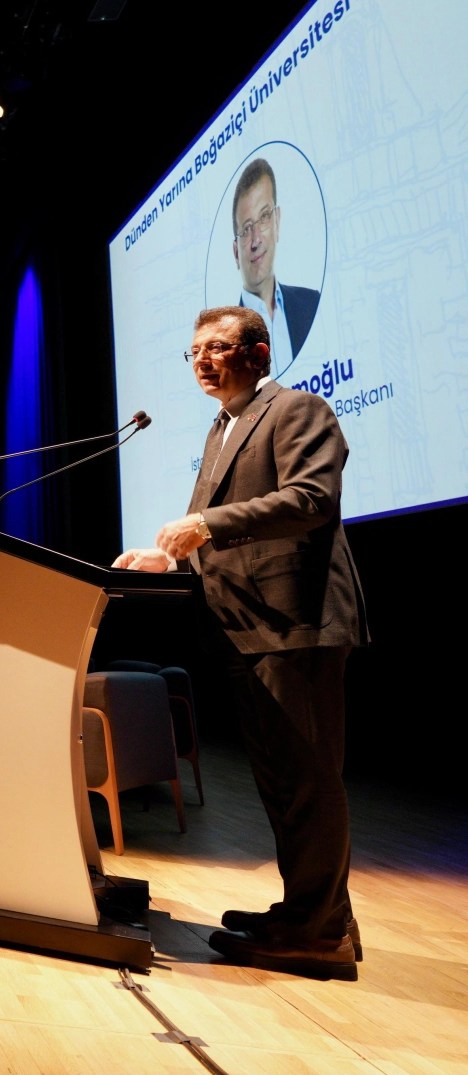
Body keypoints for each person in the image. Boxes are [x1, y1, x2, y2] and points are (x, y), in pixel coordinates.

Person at [115, 305, 367, 981]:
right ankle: (310, 915)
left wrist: (203, 524)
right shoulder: (222, 429)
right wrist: (165, 560)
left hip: (296, 622)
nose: (201, 359)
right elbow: (209, 537)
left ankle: (318, 932)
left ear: (256, 354)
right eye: (192, 350)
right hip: (248, 626)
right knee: (285, 784)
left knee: (308, 781)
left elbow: (312, 498)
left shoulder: (294, 409)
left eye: (217, 347)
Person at [231, 158, 320, 362]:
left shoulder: (311, 304)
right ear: (236, 253)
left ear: (276, 222)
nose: (256, 240)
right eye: (246, 229)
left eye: (263, 217)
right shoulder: (228, 349)